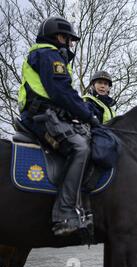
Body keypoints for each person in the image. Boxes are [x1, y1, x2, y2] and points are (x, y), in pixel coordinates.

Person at [18, 16, 100, 236]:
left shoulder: (47, 55)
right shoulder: (49, 55)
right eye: (67, 38)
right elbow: (61, 92)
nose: (70, 44)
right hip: (43, 116)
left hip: (48, 114)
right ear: (56, 36)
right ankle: (63, 213)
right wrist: (88, 115)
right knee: (79, 148)